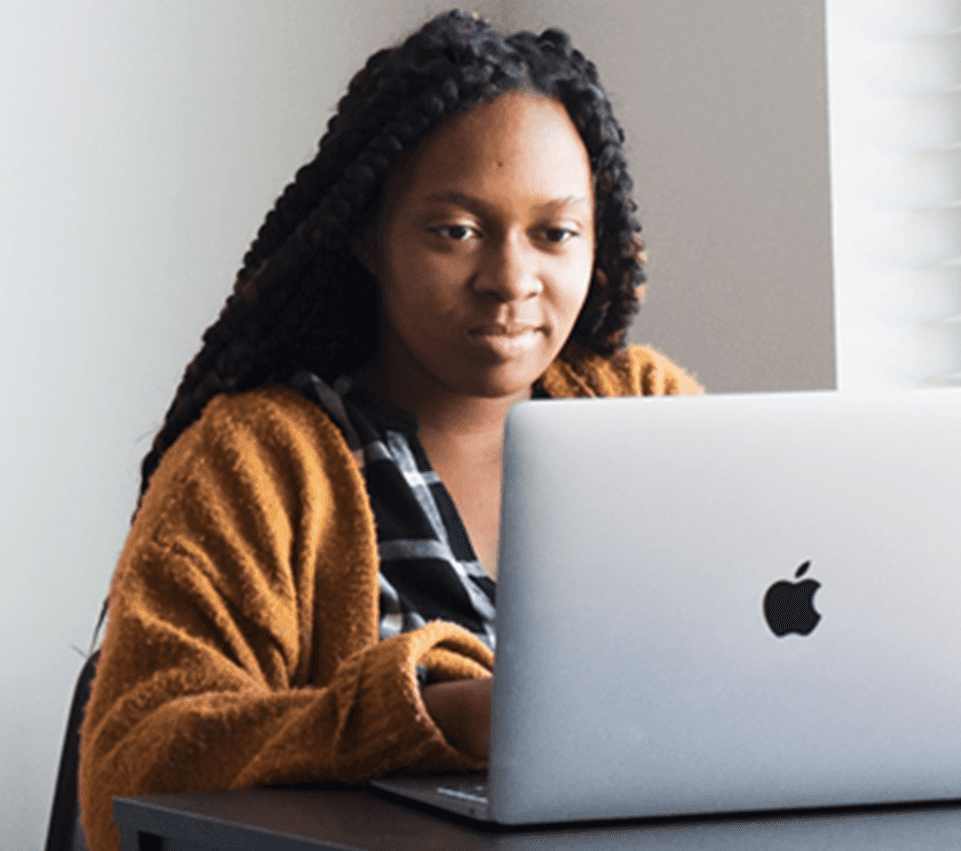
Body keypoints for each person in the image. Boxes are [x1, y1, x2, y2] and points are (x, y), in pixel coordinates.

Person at [76, 11, 701, 851]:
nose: (510, 278)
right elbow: (134, 762)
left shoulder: (646, 411)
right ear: (369, 237)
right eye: (457, 231)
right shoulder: (256, 461)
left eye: (554, 234)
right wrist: (430, 717)